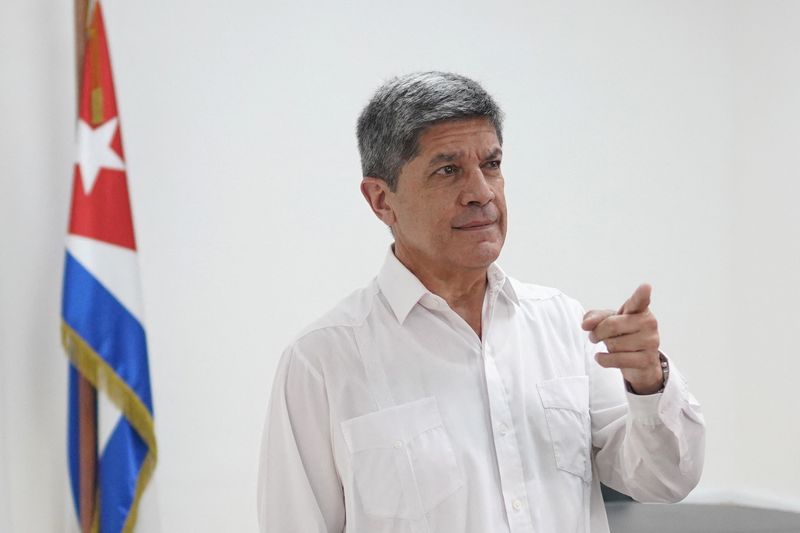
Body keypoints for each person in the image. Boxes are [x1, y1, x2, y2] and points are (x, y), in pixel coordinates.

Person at [257, 71, 705, 533]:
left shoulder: (563, 325)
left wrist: (649, 384)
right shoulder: (322, 362)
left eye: (490, 165)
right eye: (448, 170)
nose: (482, 193)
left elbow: (664, 482)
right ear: (381, 200)